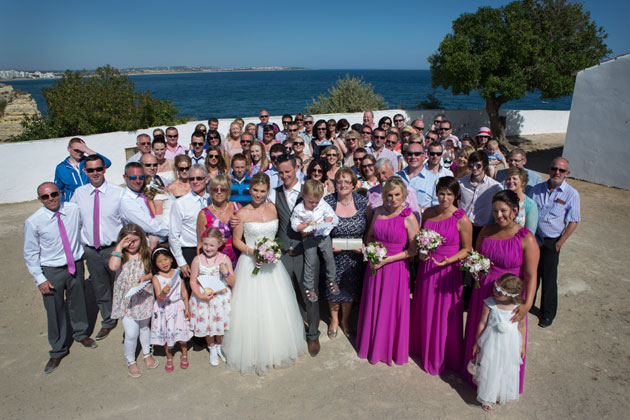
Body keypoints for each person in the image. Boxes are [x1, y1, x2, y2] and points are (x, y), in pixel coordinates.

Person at [222, 172, 307, 375]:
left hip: (273, 265)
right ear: (249, 190)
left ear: (267, 191)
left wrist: (271, 251)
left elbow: (278, 233)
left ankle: (276, 348)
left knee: (275, 306)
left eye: (262, 191)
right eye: (255, 191)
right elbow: (237, 241)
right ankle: (252, 352)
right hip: (251, 263)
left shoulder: (273, 208)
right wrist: (254, 252)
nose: (258, 195)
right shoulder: (241, 213)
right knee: (251, 309)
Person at [462, 190, 540, 393]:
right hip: (484, 292)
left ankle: (497, 386)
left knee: (502, 340)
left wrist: (527, 304)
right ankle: (475, 376)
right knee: (480, 335)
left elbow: (531, 275)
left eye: (504, 211)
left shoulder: (527, 238)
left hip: (509, 298)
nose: (499, 216)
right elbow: (477, 256)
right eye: (495, 211)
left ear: (515, 210)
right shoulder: (487, 230)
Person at [23, 182, 97, 374]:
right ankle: (58, 349)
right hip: (51, 270)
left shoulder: (73, 210)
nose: (51, 199)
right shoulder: (34, 221)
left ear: (61, 193)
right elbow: (30, 253)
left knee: (78, 301)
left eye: (54, 194)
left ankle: (81, 334)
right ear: (39, 199)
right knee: (54, 309)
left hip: (75, 265)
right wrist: (39, 278)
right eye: (45, 197)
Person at [409, 177, 472, 375]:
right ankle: (422, 347)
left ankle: (443, 354)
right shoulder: (428, 212)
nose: (444, 198)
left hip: (448, 272)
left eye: (449, 194)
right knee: (426, 308)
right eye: (441, 193)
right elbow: (420, 239)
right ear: (436, 193)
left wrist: (449, 260)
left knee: (444, 315)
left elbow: (467, 249)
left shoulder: (461, 218)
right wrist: (421, 251)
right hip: (427, 269)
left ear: (456, 196)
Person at [356, 177, 419, 365]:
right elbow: (370, 236)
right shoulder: (378, 212)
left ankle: (388, 348)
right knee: (373, 304)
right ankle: (371, 344)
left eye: (397, 195)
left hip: (396, 268)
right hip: (375, 266)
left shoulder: (409, 216)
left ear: (404, 195)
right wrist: (372, 252)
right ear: (384, 196)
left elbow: (413, 249)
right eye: (389, 195)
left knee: (390, 308)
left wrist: (387, 260)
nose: (393, 198)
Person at [268, 155, 322, 356]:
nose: (284, 176)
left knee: (310, 294)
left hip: (305, 252)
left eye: (287, 172)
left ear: (296, 168)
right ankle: (296, 330)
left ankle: (313, 334)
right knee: (288, 296)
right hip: (283, 254)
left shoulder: (310, 190)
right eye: (280, 172)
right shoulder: (273, 194)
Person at [70, 155, 124, 341]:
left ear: (104, 169)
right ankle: (108, 320)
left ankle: (128, 318)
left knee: (120, 283)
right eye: (90, 170)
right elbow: (72, 221)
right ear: (85, 171)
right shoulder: (79, 194)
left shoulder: (118, 193)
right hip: (92, 250)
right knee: (100, 287)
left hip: (113, 248)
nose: (95, 173)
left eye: (98, 169)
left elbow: (126, 222)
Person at [529, 157, 580, 328]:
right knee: (530, 273)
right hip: (533, 239)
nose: (557, 172)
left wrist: (560, 243)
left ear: (567, 173)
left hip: (552, 242)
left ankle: (547, 313)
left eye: (561, 170)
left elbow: (573, 221)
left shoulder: (571, 194)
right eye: (554, 168)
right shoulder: (537, 189)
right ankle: (527, 303)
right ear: (549, 169)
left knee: (549, 279)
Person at [109, 224, 158, 378]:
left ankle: (146, 353)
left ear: (141, 240)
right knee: (131, 333)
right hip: (127, 300)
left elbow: (153, 273)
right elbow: (113, 266)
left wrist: (146, 277)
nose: (131, 244)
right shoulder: (120, 255)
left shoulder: (146, 253)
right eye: (127, 241)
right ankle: (131, 360)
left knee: (144, 328)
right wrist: (119, 247)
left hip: (144, 296)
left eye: (135, 241)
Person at [472, 273, 526, 412]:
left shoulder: (518, 307)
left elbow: (521, 327)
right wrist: (477, 341)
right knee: (491, 368)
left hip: (510, 344)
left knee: (505, 368)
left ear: (510, 295)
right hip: (492, 342)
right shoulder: (490, 303)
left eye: (499, 292)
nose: (494, 292)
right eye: (495, 289)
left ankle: (500, 393)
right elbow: (483, 323)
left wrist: (522, 346)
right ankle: (487, 397)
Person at [323, 168, 368, 338]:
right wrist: (327, 246)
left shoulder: (363, 202)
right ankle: (334, 320)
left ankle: (345, 320)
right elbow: (321, 229)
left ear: (353, 184)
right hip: (333, 255)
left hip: (354, 257)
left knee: (350, 288)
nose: (342, 185)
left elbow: (369, 227)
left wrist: (365, 245)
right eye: (339, 181)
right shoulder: (328, 201)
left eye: (346, 181)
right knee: (332, 287)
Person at [189, 228, 235, 366]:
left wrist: (226, 272)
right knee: (208, 325)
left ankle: (220, 346)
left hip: (220, 298)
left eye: (212, 245)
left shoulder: (224, 259)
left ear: (220, 244)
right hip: (203, 297)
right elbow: (192, 280)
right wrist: (200, 295)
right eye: (205, 244)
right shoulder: (198, 260)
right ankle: (212, 348)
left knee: (219, 323)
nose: (208, 248)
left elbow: (232, 282)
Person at [290, 179, 340, 302]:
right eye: (311, 202)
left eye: (316, 202)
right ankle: (309, 286)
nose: (314, 204)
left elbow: (331, 216)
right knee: (310, 261)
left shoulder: (322, 203)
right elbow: (294, 225)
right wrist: (305, 226)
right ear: (303, 196)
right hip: (309, 237)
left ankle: (331, 280)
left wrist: (325, 223)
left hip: (323, 235)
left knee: (329, 257)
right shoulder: (299, 209)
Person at [149, 246, 192, 371]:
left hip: (178, 307)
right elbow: (159, 297)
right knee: (168, 336)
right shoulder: (156, 277)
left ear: (171, 259)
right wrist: (163, 293)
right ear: (155, 264)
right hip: (164, 309)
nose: (164, 263)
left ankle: (184, 354)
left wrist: (187, 308)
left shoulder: (177, 273)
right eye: (160, 261)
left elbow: (184, 292)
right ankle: (169, 357)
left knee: (181, 333)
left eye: (166, 259)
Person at [169, 164, 209, 284]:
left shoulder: (213, 200)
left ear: (206, 180)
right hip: (189, 251)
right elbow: (173, 234)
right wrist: (181, 261)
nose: (195, 181)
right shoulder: (180, 203)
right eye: (191, 179)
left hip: (212, 250)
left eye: (199, 178)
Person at [458, 151, 503, 245]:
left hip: (482, 228)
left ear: (485, 166)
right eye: (471, 165)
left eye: (478, 165)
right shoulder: (461, 183)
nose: (474, 168)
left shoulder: (495, 187)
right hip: (463, 225)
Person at [119, 162, 169, 244]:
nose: (138, 181)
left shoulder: (143, 194)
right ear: (125, 177)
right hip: (145, 248)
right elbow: (150, 226)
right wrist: (172, 231)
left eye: (141, 177)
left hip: (162, 241)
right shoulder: (127, 201)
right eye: (133, 177)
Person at [197, 175, 240, 268]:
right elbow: (200, 244)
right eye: (215, 189)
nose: (219, 192)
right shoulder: (204, 214)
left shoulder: (237, 207)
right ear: (211, 191)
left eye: (223, 189)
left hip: (236, 256)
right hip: (214, 259)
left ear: (227, 191)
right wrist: (201, 267)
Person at [54, 137, 112, 202]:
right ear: (69, 149)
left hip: (93, 199)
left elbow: (107, 163)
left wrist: (87, 150)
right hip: (73, 203)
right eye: (76, 150)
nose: (79, 152)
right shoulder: (61, 167)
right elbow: (58, 189)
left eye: (81, 150)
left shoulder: (89, 162)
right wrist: (64, 205)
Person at [366, 158, 420, 224]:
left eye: (384, 173)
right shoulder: (371, 193)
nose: (381, 177)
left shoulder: (408, 191)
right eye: (377, 174)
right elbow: (369, 220)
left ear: (392, 170)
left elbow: (416, 218)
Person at [396, 143, 439, 211]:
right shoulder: (396, 177)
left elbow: (437, 208)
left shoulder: (434, 180)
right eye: (410, 154)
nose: (413, 157)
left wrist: (420, 210)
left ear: (424, 156)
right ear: (405, 156)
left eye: (417, 154)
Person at [503, 167, 538, 233]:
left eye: (514, 179)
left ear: (523, 182)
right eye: (508, 179)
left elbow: (530, 232)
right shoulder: (500, 199)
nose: (511, 181)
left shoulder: (530, 204)